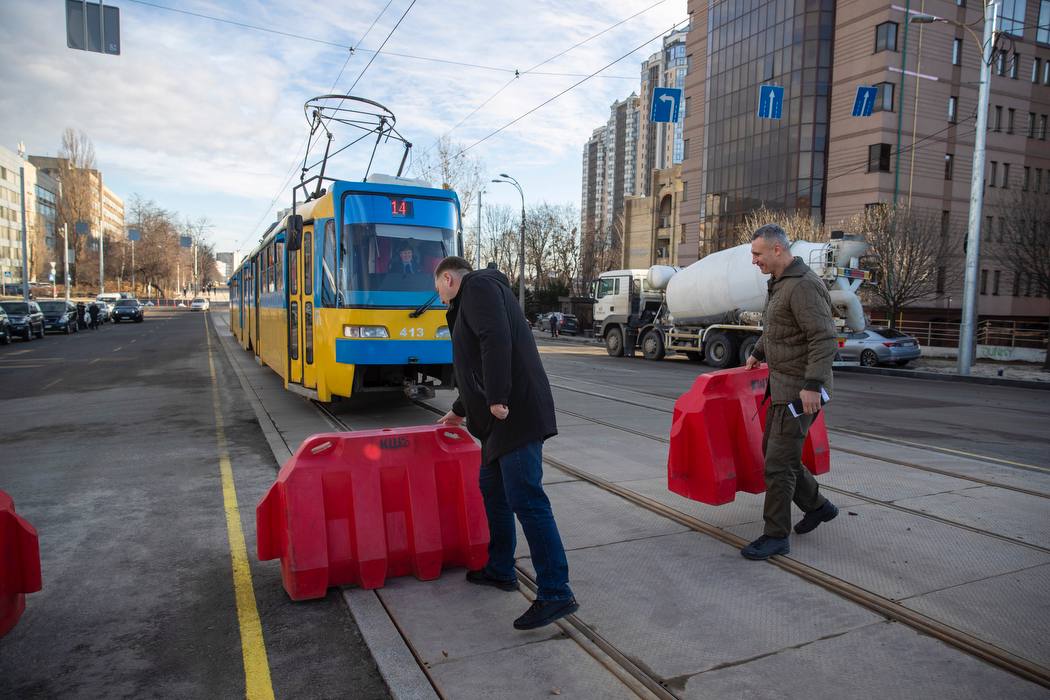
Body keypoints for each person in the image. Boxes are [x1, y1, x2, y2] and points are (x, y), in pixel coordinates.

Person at [434, 255, 578, 630]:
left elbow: (495, 340)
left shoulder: (478, 287)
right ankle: (500, 568)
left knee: (527, 499)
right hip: (498, 419)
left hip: (513, 414)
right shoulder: (475, 295)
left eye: (439, 291)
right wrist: (460, 410)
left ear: (448, 279)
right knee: (493, 489)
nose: (441, 300)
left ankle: (556, 592)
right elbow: (474, 366)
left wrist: (497, 397)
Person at [742, 223, 839, 560]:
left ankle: (775, 536)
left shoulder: (803, 286)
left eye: (757, 254)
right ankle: (819, 507)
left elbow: (824, 338)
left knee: (778, 465)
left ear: (777, 249)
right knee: (778, 454)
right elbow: (778, 328)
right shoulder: (780, 282)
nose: (754, 260)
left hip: (800, 392)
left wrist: (812, 386)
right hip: (783, 387)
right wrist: (758, 351)